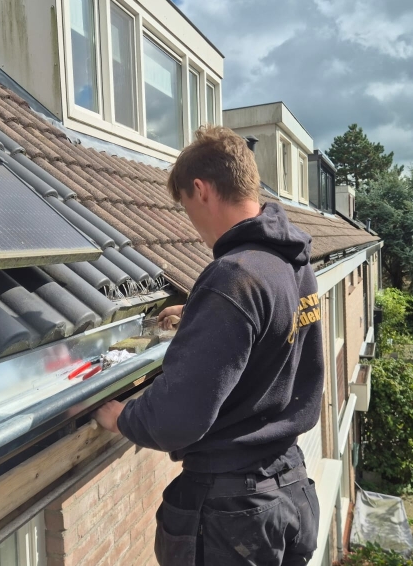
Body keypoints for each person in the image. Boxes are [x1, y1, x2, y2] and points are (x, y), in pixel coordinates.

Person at [94, 126, 324, 565]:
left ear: (200, 190)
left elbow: (178, 418)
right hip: (289, 491)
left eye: (185, 206)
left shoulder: (233, 277)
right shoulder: (290, 263)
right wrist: (202, 317)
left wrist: (123, 417)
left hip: (235, 517)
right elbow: (271, 333)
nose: (192, 224)